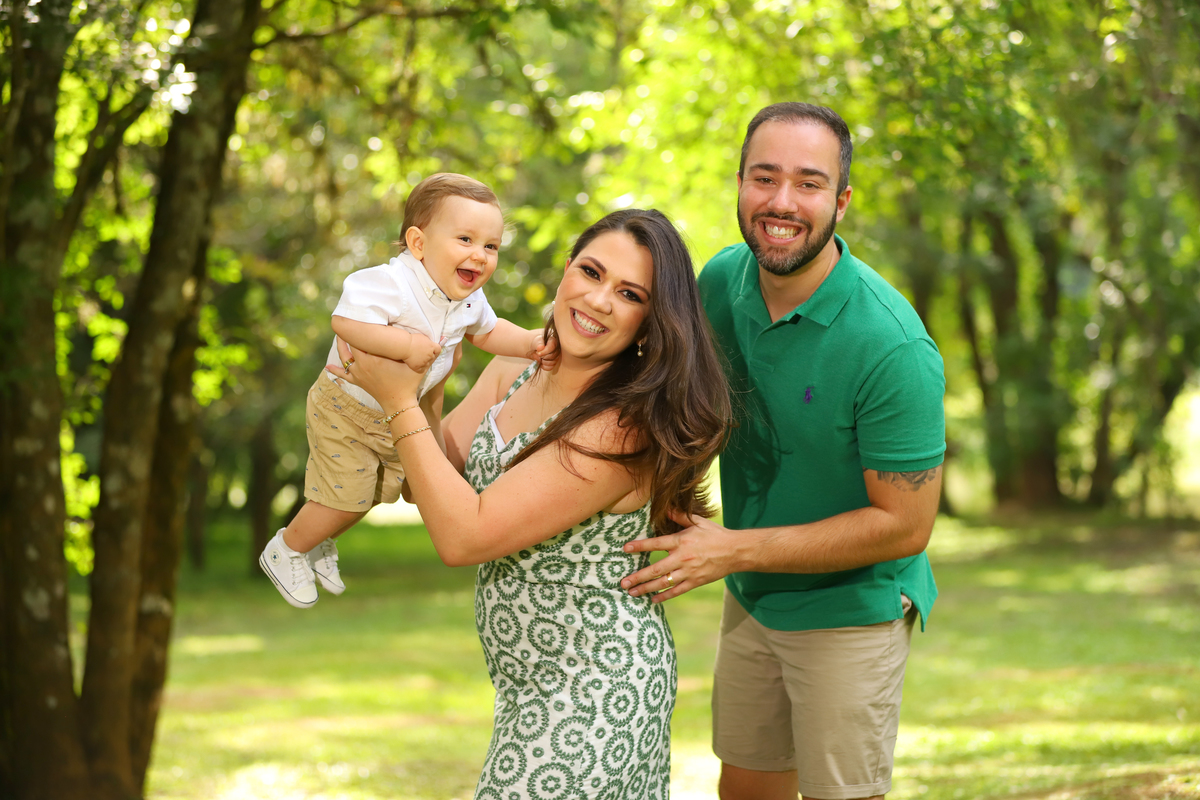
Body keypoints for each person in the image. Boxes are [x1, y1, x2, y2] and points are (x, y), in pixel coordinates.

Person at [332, 208, 731, 799]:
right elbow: (430, 484)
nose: (598, 300)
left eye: (629, 294)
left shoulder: (620, 425)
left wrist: (399, 402)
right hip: (525, 686)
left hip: (596, 689)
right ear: (566, 270)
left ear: (651, 323)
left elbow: (464, 537)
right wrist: (428, 388)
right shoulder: (516, 367)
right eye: (591, 272)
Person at [621, 103, 946, 800]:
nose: (782, 202)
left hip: (852, 607)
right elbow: (676, 403)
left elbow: (906, 526)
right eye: (764, 178)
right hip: (754, 595)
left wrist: (731, 550)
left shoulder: (892, 345)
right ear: (740, 183)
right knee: (744, 789)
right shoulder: (720, 282)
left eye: (808, 183)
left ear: (842, 201)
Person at [260, 173, 550, 609]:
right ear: (418, 243)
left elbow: (488, 332)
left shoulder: (466, 299)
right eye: (466, 239)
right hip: (346, 407)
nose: (480, 255)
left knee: (376, 493)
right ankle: (286, 549)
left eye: (491, 246)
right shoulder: (391, 283)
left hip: (392, 412)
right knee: (346, 497)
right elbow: (345, 321)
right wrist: (406, 346)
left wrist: (528, 343)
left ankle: (318, 539)